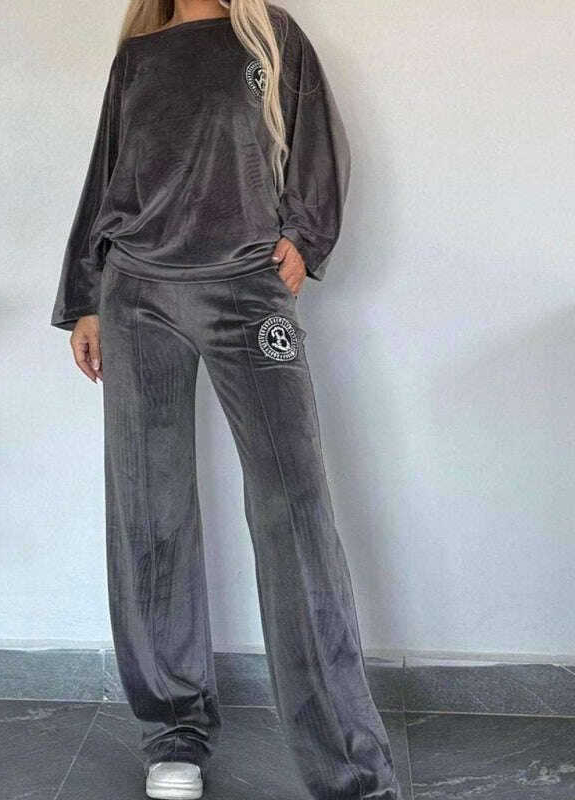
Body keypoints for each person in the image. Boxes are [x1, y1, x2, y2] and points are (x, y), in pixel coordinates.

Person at [50, 1, 403, 798]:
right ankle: (173, 732)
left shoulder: (269, 36)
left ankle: (350, 768)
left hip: (246, 288)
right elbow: (104, 179)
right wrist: (86, 299)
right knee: (150, 512)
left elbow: (315, 143)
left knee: (294, 514)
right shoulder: (138, 57)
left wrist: (306, 236)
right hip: (136, 294)